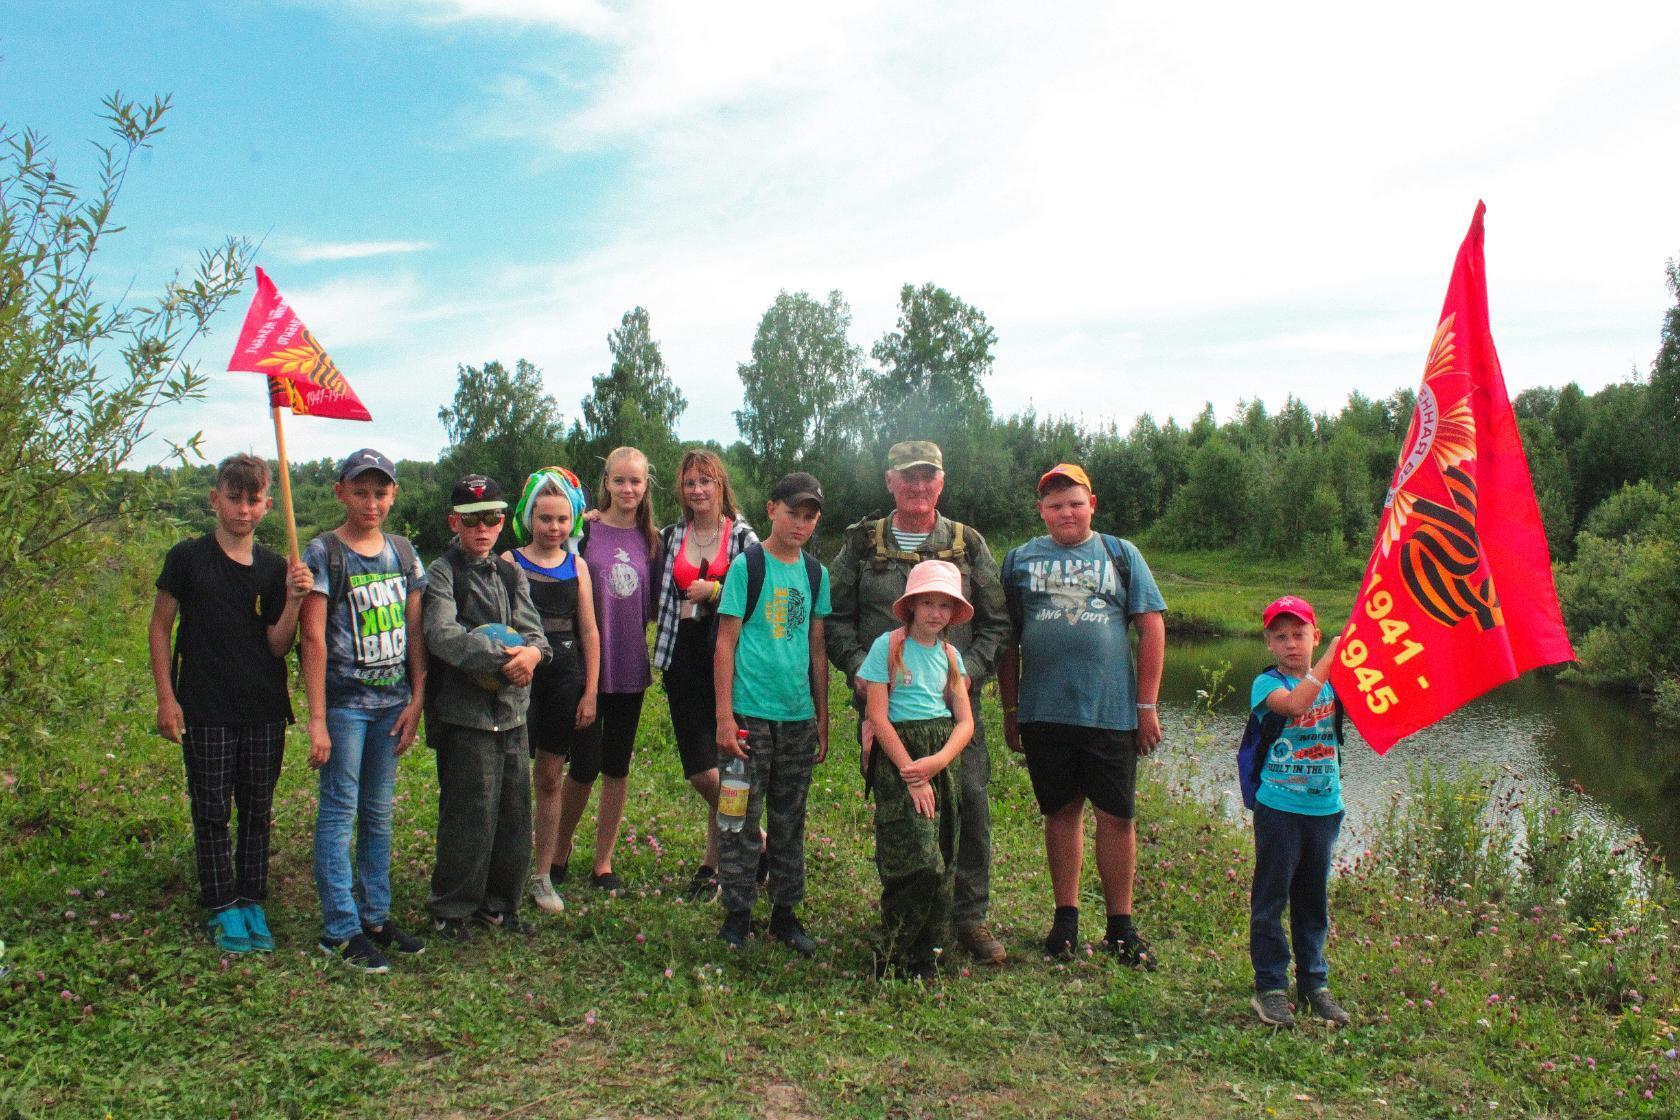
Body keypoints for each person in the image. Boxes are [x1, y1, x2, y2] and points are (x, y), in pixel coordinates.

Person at [826, 440, 1011, 966]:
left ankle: (968, 918)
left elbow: (996, 622)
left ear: (941, 482)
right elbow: (834, 616)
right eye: (908, 476)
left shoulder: (967, 543)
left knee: (968, 805)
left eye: (928, 476)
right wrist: (861, 671)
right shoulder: (863, 543)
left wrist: (963, 676)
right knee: (903, 815)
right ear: (890, 482)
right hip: (888, 711)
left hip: (954, 710)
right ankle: (907, 921)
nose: (918, 485)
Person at [997, 463, 1166, 968]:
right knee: (1061, 812)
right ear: (1041, 511)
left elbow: (1151, 628)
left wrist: (1147, 705)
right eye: (1054, 505)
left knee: (1117, 817)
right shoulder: (1020, 561)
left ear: (1092, 503)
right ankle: (1065, 921)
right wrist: (1010, 708)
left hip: (1111, 713)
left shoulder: (1121, 554)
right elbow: (1008, 641)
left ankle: (1121, 927)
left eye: (1074, 502)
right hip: (1045, 711)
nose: (1065, 512)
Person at [148, 453, 312, 953]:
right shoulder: (187, 558)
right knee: (212, 810)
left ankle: (251, 899)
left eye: (253, 500)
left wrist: (296, 599)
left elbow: (277, 646)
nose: (243, 509)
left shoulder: (272, 567)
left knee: (258, 810)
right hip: (204, 704)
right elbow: (160, 626)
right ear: (215, 499)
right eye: (234, 498)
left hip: (263, 706)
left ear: (266, 506)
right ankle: (220, 905)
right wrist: (166, 698)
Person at [300, 449, 429, 973]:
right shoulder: (324, 552)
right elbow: (312, 638)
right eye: (361, 491)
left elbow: (415, 630)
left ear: (393, 494)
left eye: (381, 492)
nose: (371, 502)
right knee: (339, 811)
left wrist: (417, 697)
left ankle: (375, 916)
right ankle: (340, 928)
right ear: (341, 492)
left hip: (392, 703)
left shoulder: (403, 553)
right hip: (345, 707)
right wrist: (316, 717)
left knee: (378, 813)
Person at [422, 475, 551, 941]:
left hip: (513, 713)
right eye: (472, 519)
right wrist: (500, 659)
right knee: (468, 812)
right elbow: (441, 634)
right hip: (465, 715)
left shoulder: (512, 572)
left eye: (492, 518)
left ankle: (500, 905)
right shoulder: (441, 572)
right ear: (455, 521)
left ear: (503, 522)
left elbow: (533, 631)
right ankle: (452, 908)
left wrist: (533, 654)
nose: (483, 528)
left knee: (514, 812)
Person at [713, 472, 831, 954]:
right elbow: (725, 642)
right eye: (792, 513)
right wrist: (723, 717)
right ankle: (736, 915)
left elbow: (817, 647)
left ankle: (785, 914)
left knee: (790, 817)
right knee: (737, 814)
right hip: (748, 715)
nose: (800, 524)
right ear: (771, 510)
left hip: (797, 717)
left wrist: (823, 717)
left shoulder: (816, 573)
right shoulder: (748, 565)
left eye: (809, 517)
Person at [857, 560, 974, 981]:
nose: (936, 612)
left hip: (941, 759)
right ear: (910, 606)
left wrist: (939, 762)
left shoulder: (950, 655)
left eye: (945, 605)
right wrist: (911, 771)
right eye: (927, 602)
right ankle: (891, 950)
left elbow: (965, 721)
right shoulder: (887, 648)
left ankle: (928, 954)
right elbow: (878, 716)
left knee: (943, 857)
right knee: (915, 860)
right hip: (900, 760)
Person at [651, 449, 760, 902]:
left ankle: (713, 865)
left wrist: (715, 589)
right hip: (681, 658)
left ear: (721, 486)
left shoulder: (743, 536)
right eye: (690, 483)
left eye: (705, 481)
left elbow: (759, 586)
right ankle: (758, 841)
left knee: (725, 764)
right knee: (700, 771)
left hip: (728, 663)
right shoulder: (670, 535)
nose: (697, 490)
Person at [555, 447, 661, 894]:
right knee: (583, 765)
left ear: (645, 485)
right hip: (588, 669)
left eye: (635, 481)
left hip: (630, 667)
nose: (628, 489)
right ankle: (556, 853)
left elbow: (653, 606)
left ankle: (603, 862)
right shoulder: (585, 532)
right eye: (620, 481)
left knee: (616, 767)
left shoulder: (653, 540)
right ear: (606, 482)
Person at [1247, 596, 1350, 1027]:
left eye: (1300, 634)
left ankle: (1314, 984)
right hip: (1280, 806)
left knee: (1313, 899)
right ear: (1269, 643)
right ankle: (1270, 986)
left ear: (1315, 635)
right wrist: (1328, 661)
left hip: (1324, 806)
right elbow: (1295, 706)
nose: (1292, 644)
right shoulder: (1265, 684)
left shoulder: (1338, 681)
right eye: (1282, 636)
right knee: (1271, 898)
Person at [505, 468, 600, 916]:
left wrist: (591, 692)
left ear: (573, 521)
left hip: (565, 680)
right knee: (507, 779)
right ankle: (502, 870)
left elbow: (589, 632)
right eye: (545, 518)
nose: (554, 528)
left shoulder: (576, 565)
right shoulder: (508, 562)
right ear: (529, 518)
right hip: (516, 680)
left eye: (562, 519)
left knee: (548, 778)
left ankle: (542, 875)